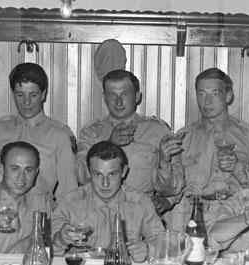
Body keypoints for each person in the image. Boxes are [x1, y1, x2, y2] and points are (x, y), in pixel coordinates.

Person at [76, 69, 184, 215]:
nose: (118, 102)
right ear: (104, 98)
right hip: (99, 214)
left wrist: (168, 200)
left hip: (141, 214)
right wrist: (108, 144)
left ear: (137, 96)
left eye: (125, 94)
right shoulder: (92, 132)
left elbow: (176, 182)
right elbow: (81, 176)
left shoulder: (157, 130)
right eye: (112, 95)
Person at [53, 141, 164, 262]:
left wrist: (148, 249)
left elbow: (164, 244)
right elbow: (47, 250)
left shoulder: (140, 203)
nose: (105, 183)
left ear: (124, 172)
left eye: (112, 174)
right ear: (88, 172)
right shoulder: (70, 203)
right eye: (98, 174)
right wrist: (59, 240)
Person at [0, 62, 77, 204]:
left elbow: (69, 191)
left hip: (38, 210)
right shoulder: (0, 128)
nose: (26, 102)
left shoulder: (59, 135)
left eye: (33, 95)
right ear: (13, 94)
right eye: (20, 95)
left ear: (43, 94)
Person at [176, 67, 249, 226]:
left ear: (228, 96)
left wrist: (237, 167)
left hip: (235, 215)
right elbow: (174, 187)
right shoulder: (184, 137)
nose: (207, 101)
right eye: (202, 94)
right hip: (193, 214)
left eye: (215, 94)